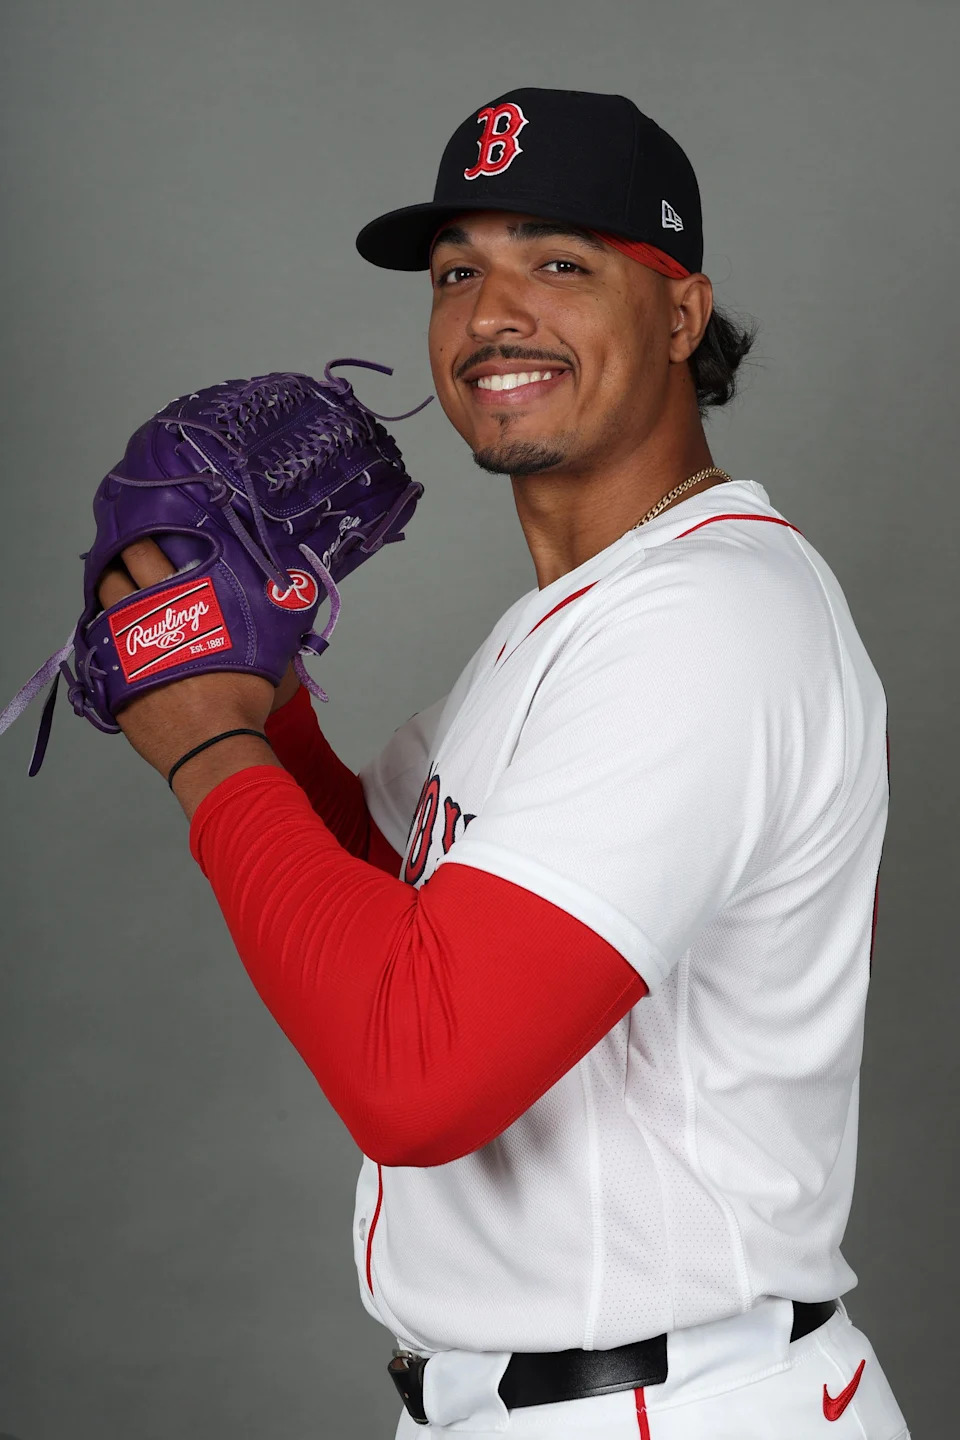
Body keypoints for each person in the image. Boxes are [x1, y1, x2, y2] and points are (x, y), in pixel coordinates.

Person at [96, 88, 910, 1438]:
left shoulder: (712, 626)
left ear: (681, 313)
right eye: (458, 270)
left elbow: (418, 1069)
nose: (490, 313)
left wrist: (213, 744)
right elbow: (386, 912)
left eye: (559, 261)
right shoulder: (572, 628)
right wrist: (255, 689)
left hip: (677, 1405)